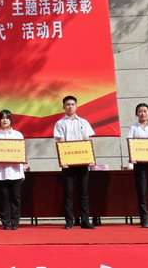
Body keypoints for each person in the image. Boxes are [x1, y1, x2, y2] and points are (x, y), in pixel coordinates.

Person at [53, 95, 95, 229]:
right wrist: (63, 160)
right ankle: (69, 221)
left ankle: (85, 220)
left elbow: (87, 140)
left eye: (72, 104)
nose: (70, 107)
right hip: (67, 163)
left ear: (76, 106)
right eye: (67, 104)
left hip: (82, 162)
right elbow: (61, 142)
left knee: (84, 192)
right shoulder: (60, 123)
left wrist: (90, 159)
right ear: (63, 107)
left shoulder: (83, 122)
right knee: (68, 192)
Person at [0, 110, 25, 230]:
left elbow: (22, 152)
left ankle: (14, 223)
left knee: (15, 198)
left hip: (15, 172)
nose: (4, 120)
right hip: (1, 172)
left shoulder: (18, 135)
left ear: (11, 120)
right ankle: (5, 223)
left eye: (7, 118)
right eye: (2, 118)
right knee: (3, 198)